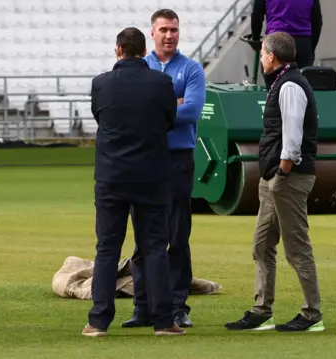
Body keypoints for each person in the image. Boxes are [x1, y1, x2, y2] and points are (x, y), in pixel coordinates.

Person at [82, 27, 185, 337]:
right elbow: (170, 121)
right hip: (151, 176)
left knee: (107, 250)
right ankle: (164, 320)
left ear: (118, 50)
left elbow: (101, 118)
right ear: (144, 52)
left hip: (112, 177)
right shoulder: (161, 82)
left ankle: (99, 321)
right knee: (154, 247)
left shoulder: (101, 84)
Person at [224, 32, 325, 333]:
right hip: (277, 177)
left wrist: (282, 172)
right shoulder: (285, 81)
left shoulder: (290, 85)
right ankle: (261, 310)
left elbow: (292, 136)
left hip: (288, 178)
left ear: (271, 55)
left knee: (297, 248)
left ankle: (312, 314)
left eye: (264, 53)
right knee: (262, 244)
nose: (262, 58)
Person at [122, 8, 206, 329]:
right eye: (163, 30)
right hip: (145, 158)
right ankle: (142, 305)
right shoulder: (139, 67)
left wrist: (154, 111)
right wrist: (175, 103)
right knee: (143, 234)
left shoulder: (192, 69)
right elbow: (129, 108)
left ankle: (177, 306)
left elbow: (193, 111)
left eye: (174, 29)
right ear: (152, 33)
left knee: (177, 234)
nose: (169, 35)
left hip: (177, 158)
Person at [250, 0, 323, 68]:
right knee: (303, 78)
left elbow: (256, 17)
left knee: (274, 78)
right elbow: (317, 22)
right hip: (302, 43)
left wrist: (255, 39)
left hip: (276, 40)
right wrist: (310, 47)